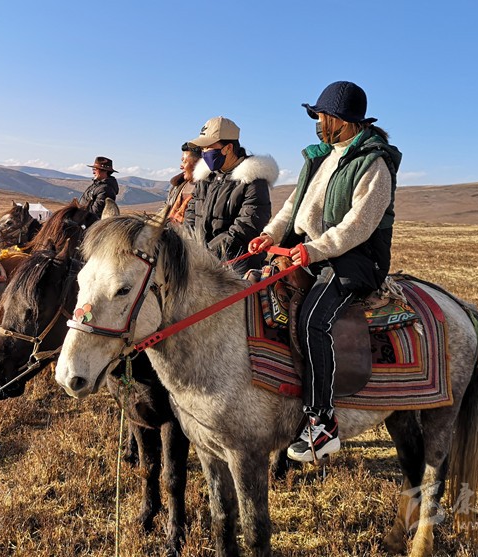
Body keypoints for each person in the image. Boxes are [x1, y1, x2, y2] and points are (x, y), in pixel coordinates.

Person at [249, 81, 402, 462]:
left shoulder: (374, 163)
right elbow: (293, 206)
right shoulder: (320, 157)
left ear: (343, 120)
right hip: (311, 253)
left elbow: (358, 226)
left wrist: (312, 251)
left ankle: (322, 423)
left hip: (353, 260)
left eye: (323, 117)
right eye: (317, 117)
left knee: (314, 320)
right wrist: (269, 235)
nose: (318, 124)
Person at [184, 116, 278, 274]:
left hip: (236, 269)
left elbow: (246, 227)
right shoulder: (206, 178)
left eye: (208, 147)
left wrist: (208, 254)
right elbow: (191, 216)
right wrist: (190, 248)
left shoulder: (252, 180)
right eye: (203, 148)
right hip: (200, 266)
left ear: (227, 148)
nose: (204, 153)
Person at [165, 142, 201, 224]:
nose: (181, 166)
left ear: (198, 163)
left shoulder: (208, 189)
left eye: (184, 162)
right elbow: (166, 207)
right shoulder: (177, 187)